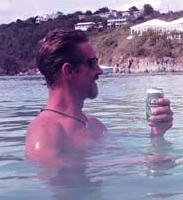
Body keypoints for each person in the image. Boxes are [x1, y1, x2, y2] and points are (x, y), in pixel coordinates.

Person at [25, 29, 173, 163]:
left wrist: (157, 133)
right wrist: (141, 161)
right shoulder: (45, 133)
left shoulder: (94, 124)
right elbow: (59, 182)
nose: (100, 71)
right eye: (93, 63)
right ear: (69, 71)